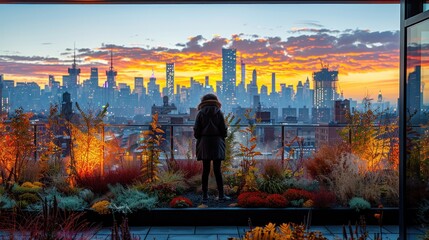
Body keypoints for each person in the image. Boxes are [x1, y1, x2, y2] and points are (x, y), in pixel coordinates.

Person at [193, 93, 229, 204]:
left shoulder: (200, 114)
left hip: (204, 143)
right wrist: (220, 136)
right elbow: (224, 130)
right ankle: (221, 195)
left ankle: (205, 196)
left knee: (205, 170)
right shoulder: (219, 113)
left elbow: (196, 131)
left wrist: (202, 137)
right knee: (218, 170)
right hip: (217, 142)